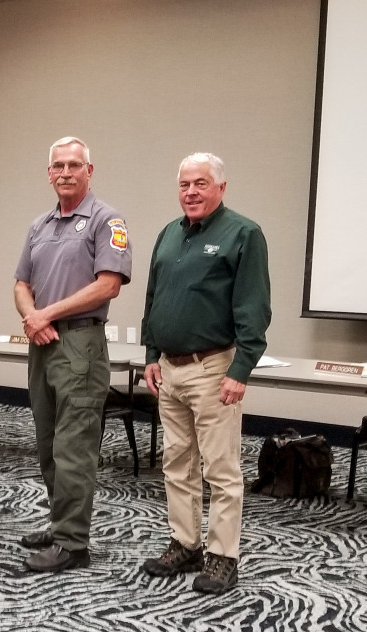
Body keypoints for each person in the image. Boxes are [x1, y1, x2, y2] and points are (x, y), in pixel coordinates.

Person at [140, 152, 272, 595]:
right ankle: (185, 543)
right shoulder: (169, 234)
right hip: (170, 370)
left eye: (200, 183)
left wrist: (242, 368)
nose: (191, 192)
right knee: (176, 464)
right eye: (184, 185)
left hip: (214, 368)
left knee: (221, 470)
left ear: (220, 187)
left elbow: (254, 308)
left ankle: (222, 557)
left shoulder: (243, 233)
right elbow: (154, 298)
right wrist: (151, 354)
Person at [14, 136, 132, 573]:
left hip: (80, 344)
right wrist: (33, 317)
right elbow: (20, 283)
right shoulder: (39, 225)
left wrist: (46, 314)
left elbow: (109, 284)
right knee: (47, 443)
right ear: (49, 173)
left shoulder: (106, 219)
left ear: (89, 170)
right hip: (42, 343)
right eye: (58, 165)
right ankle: (61, 521)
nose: (66, 172)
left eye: (74, 165)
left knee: (74, 447)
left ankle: (73, 544)